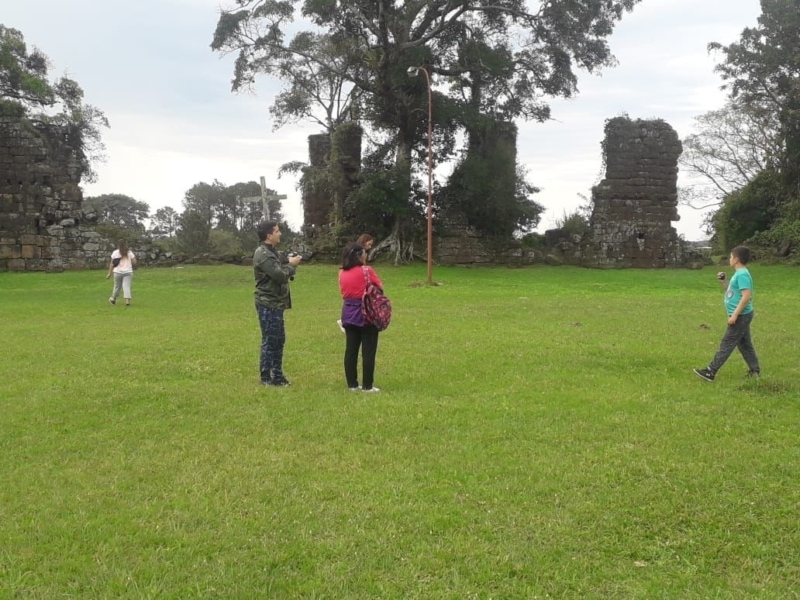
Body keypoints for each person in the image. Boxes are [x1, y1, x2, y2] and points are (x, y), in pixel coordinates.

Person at [694, 245, 761, 382]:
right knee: (744, 344)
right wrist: (724, 282)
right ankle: (755, 371)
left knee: (727, 343)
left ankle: (710, 371)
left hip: (741, 316)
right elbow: (731, 293)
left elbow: (746, 296)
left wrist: (735, 315)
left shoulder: (742, 275)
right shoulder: (739, 274)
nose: (729, 259)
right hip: (741, 315)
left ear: (736, 259)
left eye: (731, 257)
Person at [254, 221, 302, 387]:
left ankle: (277, 376)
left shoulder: (271, 252)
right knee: (271, 340)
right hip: (268, 303)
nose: (280, 233)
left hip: (275, 303)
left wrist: (289, 260)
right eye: (277, 231)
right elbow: (280, 275)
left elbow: (279, 265)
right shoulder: (263, 254)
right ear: (269, 235)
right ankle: (267, 377)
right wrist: (292, 265)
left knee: (278, 339)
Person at [339, 243, 383, 392]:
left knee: (351, 349)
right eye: (364, 253)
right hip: (366, 312)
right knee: (368, 350)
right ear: (359, 255)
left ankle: (352, 384)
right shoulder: (367, 270)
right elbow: (380, 287)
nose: (366, 255)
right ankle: (367, 386)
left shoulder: (342, 273)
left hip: (348, 312)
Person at [337, 233, 375, 334]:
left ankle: (346, 321)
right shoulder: (358, 252)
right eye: (369, 244)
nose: (370, 247)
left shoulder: (343, 271)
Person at [106, 241, 137, 307]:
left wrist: (109, 273)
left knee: (117, 286)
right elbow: (134, 262)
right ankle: (127, 301)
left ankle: (113, 299)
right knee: (126, 286)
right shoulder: (129, 252)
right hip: (128, 272)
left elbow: (112, 264)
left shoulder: (115, 253)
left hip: (118, 272)